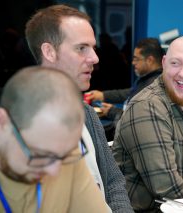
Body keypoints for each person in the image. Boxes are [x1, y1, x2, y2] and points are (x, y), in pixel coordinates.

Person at [25, 4, 133, 212]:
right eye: (81, 48)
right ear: (49, 51)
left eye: (93, 47)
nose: (95, 58)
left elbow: (113, 182)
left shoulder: (87, 114)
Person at [112, 35, 183, 211]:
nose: (182, 73)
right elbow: (166, 187)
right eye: (175, 63)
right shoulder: (147, 107)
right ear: (164, 63)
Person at [0, 66, 111, 212]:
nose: (54, 171)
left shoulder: (63, 154)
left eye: (64, 156)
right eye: (40, 154)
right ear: (2, 123)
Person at [86, 37, 164, 122]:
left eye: (136, 59)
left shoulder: (154, 88)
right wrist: (103, 95)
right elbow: (130, 93)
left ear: (149, 60)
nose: (133, 62)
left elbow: (138, 121)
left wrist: (112, 111)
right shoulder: (148, 79)